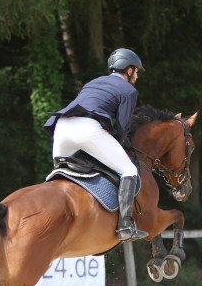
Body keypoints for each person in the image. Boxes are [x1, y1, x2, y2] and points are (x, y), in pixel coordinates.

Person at [44, 48, 148, 242]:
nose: (137, 76)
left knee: (62, 175)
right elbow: (122, 127)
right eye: (136, 71)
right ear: (129, 69)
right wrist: (119, 143)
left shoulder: (93, 82)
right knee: (128, 171)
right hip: (87, 130)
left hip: (62, 129)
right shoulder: (129, 90)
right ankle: (125, 226)